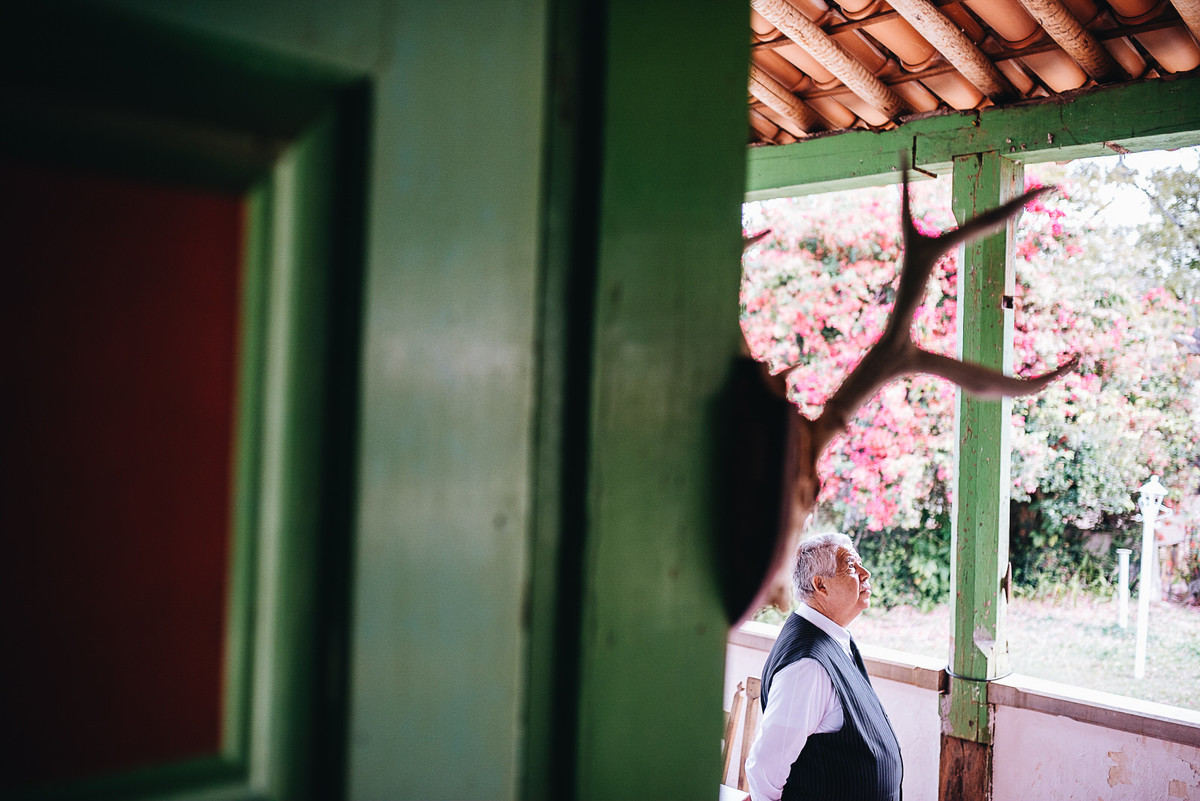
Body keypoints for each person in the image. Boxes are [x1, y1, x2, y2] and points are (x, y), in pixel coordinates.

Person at [744, 532, 902, 801]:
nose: (866, 574)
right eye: (851, 566)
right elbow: (765, 767)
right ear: (821, 585)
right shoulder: (807, 665)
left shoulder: (833, 638)